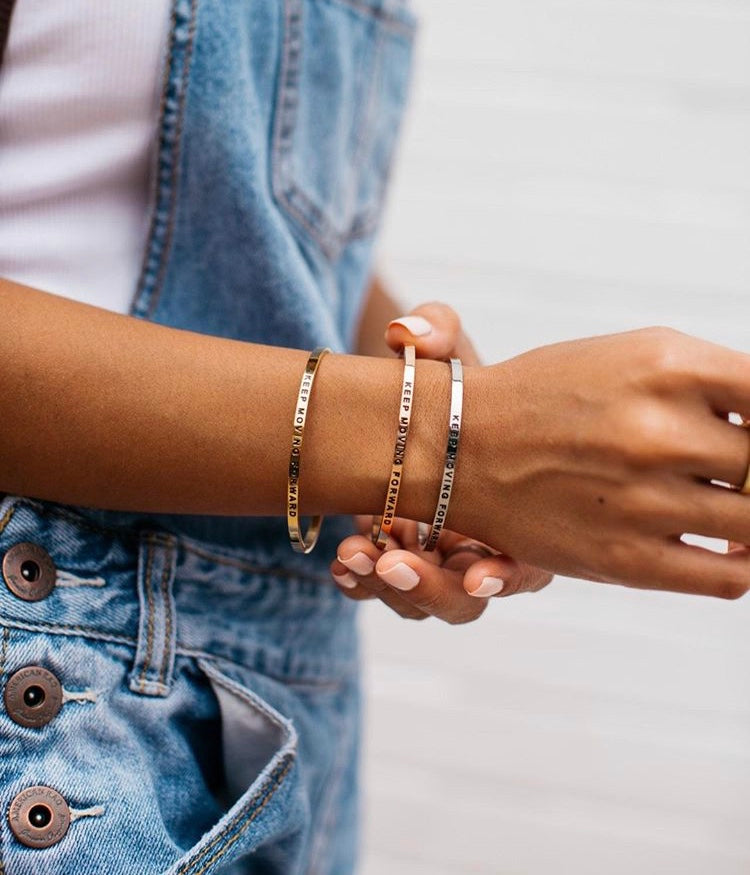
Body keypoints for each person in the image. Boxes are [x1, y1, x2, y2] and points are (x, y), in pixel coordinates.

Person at [1, 2, 750, 873]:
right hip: (56, 694)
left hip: (271, 724)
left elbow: (262, 250)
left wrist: (457, 432)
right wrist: (445, 437)